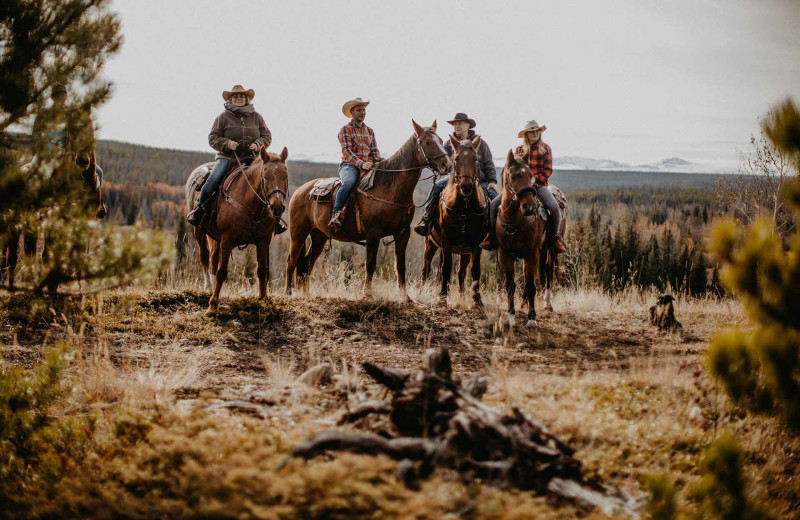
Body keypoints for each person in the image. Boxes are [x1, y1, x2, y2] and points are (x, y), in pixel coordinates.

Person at [187, 85, 276, 228]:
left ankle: (274, 218)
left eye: (241, 96)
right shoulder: (223, 117)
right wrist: (227, 143)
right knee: (213, 180)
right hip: (228, 158)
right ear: (231, 99)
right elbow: (212, 138)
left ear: (246, 99)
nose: (238, 98)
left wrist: (258, 144)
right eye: (235, 96)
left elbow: (267, 136)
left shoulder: (257, 117)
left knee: (269, 181)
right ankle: (198, 210)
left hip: (252, 158)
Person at [481, 120, 565, 252]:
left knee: (553, 207)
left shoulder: (545, 148)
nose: (535, 133)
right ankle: (491, 237)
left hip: (539, 186)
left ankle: (554, 239)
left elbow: (548, 170)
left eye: (537, 131)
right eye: (532, 131)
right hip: (519, 188)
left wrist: (533, 181)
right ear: (526, 134)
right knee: (493, 205)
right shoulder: (519, 150)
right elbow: (513, 169)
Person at [413, 112, 497, 236]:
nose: (457, 126)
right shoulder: (448, 144)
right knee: (436, 188)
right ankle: (426, 219)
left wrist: (492, 181)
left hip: (480, 181)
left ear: (468, 125)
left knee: (495, 198)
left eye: (460, 124)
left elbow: (489, 163)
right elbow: (442, 163)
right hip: (454, 180)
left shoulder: (481, 143)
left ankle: (494, 233)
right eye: (455, 124)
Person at [32, 84, 105, 187]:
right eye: (57, 96)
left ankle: (98, 202)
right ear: (52, 97)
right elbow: (35, 134)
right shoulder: (44, 114)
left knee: (99, 172)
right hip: (47, 153)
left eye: (62, 95)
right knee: (35, 171)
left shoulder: (70, 114)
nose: (60, 98)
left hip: (66, 152)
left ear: (66, 97)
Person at [329, 97, 381, 232]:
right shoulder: (345, 129)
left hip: (368, 165)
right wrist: (362, 164)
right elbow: (347, 152)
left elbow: (374, 150)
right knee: (349, 182)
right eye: (359, 110)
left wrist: (378, 161)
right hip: (349, 165)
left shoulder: (370, 131)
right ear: (352, 112)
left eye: (364, 110)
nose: (362, 112)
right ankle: (337, 213)